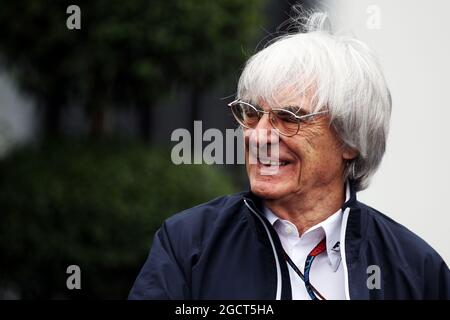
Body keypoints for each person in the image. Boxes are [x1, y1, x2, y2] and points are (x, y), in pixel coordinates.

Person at [128, 12, 449, 299]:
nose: (260, 136)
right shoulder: (188, 245)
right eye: (251, 114)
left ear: (350, 140)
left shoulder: (417, 269)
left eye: (290, 117)